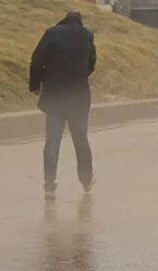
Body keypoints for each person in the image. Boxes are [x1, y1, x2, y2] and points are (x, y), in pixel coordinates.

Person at [29, 11, 97, 199]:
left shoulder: (51, 33)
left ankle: (49, 185)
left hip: (55, 96)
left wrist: (35, 85)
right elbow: (91, 63)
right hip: (78, 97)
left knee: (52, 141)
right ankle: (86, 181)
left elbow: (36, 60)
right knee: (81, 139)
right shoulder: (87, 35)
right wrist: (79, 75)